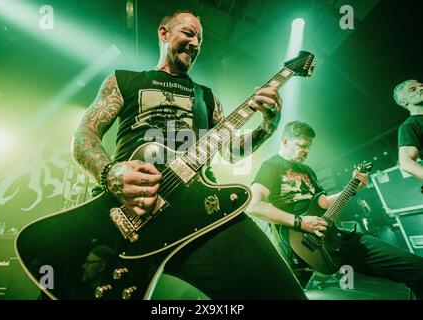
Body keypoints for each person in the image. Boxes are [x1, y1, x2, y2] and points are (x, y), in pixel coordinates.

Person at [72, 10, 306, 299]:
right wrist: (110, 174)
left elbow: (232, 152)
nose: (195, 43)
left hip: (202, 210)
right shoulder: (124, 80)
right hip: (128, 207)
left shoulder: (206, 97)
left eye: (200, 39)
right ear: (164, 33)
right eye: (188, 32)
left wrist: (269, 126)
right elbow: (84, 134)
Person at [246, 121, 423, 299]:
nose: (306, 151)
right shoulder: (271, 166)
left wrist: (352, 187)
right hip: (301, 245)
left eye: (309, 147)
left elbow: (323, 202)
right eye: (302, 145)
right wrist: (301, 222)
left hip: (332, 237)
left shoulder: (307, 170)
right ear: (285, 141)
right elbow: (254, 205)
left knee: (416, 267)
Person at [394, 79, 423, 180]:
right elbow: (406, 163)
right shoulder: (410, 125)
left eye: (421, 86)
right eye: (412, 89)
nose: (421, 88)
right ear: (403, 101)